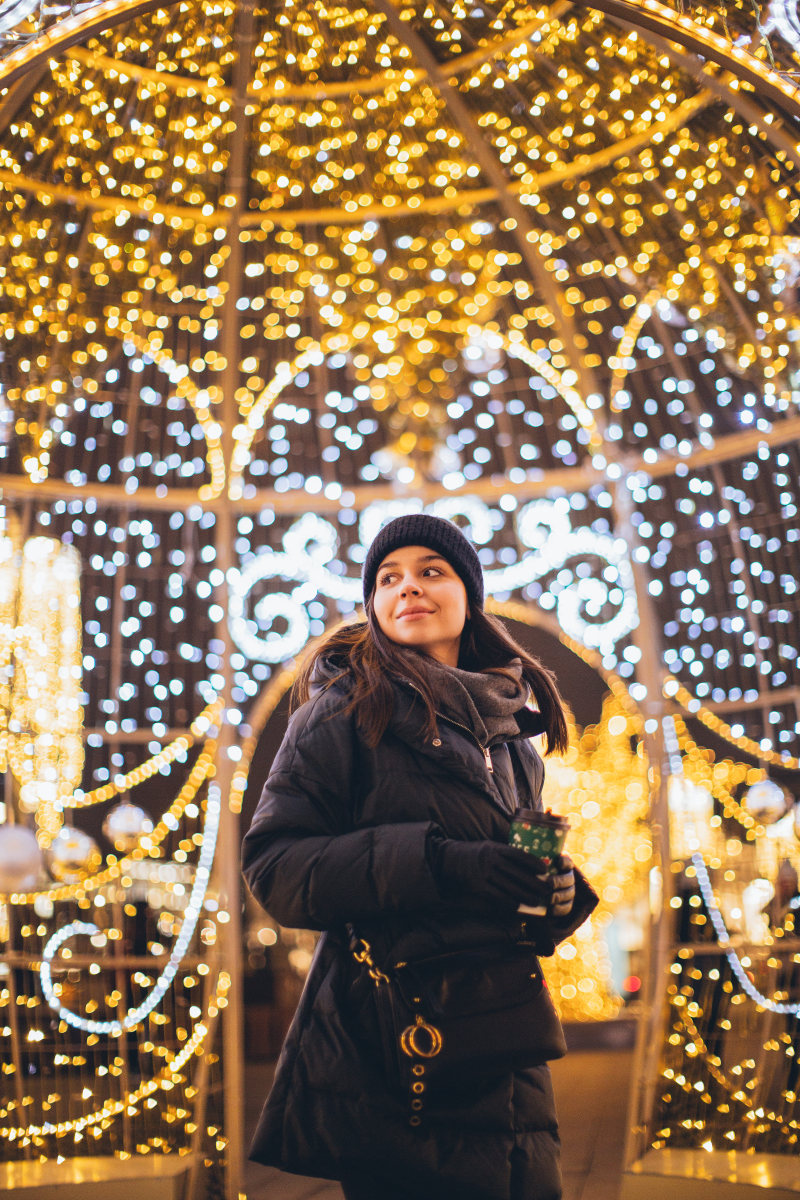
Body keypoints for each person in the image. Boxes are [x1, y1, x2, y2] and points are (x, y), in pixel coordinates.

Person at [242, 513, 598, 1200]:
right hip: (396, 1045)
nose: (408, 588)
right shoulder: (344, 711)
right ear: (373, 604)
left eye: (430, 571)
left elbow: (507, 897)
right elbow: (276, 869)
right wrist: (441, 863)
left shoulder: (512, 735)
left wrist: (553, 894)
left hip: (506, 1039)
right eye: (387, 578)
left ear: (469, 593)